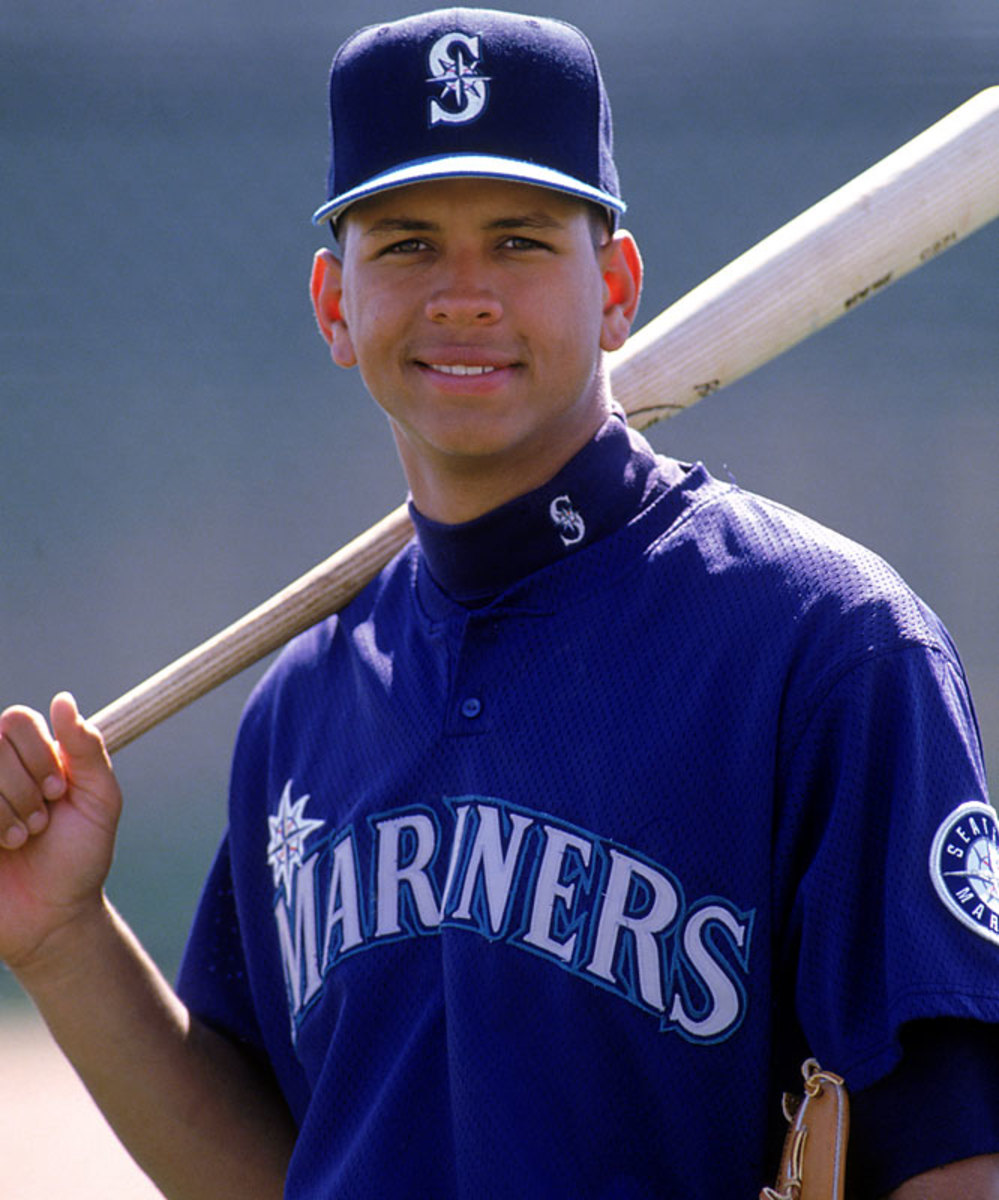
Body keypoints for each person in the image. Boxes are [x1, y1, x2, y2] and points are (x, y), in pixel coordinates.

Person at [1, 8, 997, 1198]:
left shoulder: (826, 649)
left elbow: (955, 1152)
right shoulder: (305, 706)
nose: (463, 295)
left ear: (615, 287)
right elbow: (285, 1176)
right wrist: (62, 938)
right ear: (334, 304)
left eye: (520, 241)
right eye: (407, 243)